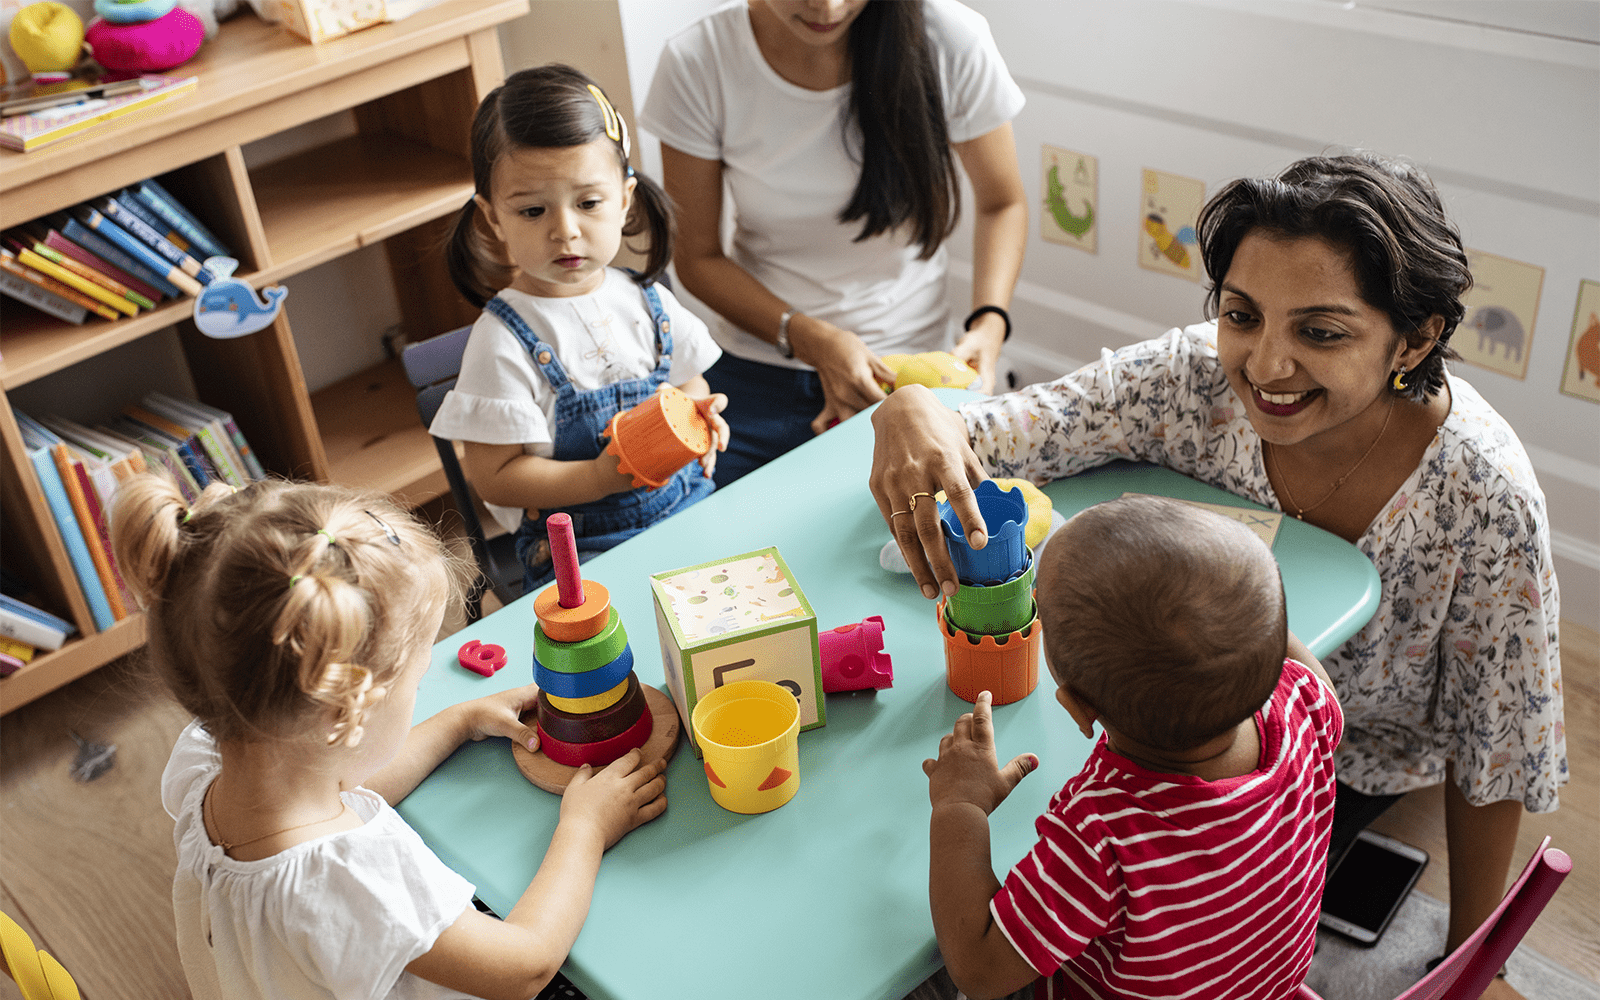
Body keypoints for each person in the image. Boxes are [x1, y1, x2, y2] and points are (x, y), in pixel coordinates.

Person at [871, 152, 1565, 983]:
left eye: (1321, 331)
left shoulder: (1485, 496)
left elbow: (1497, 750)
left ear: (1414, 338)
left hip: (1348, 765)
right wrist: (911, 406)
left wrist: (1470, 956)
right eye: (1241, 314)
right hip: (1214, 724)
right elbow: (1003, 431)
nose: (1265, 366)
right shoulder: (1187, 378)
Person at [112, 476, 668, 1000]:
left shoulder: (210, 761)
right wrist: (585, 827)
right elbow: (525, 965)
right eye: (418, 679)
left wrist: (456, 722)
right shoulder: (351, 878)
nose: (421, 690)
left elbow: (341, 782)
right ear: (344, 714)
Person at [923, 496, 1343, 999]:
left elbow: (978, 968)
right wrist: (1239, 616)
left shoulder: (1101, 835)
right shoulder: (1305, 707)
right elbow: (1299, 667)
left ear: (1079, 709)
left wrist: (960, 806)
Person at [640, 0, 1028, 486]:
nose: (827, 6)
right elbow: (696, 256)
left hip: (909, 370)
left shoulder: (951, 39)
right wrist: (812, 339)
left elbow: (1002, 204)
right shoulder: (699, 60)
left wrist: (990, 323)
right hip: (761, 366)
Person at [432, 64, 730, 593]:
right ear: (492, 218)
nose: (564, 230)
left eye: (588, 203)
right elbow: (494, 475)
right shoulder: (503, 340)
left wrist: (697, 419)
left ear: (624, 199)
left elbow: (689, 382)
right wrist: (598, 477)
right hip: (586, 553)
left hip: (689, 509)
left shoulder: (647, 300)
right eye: (531, 210)